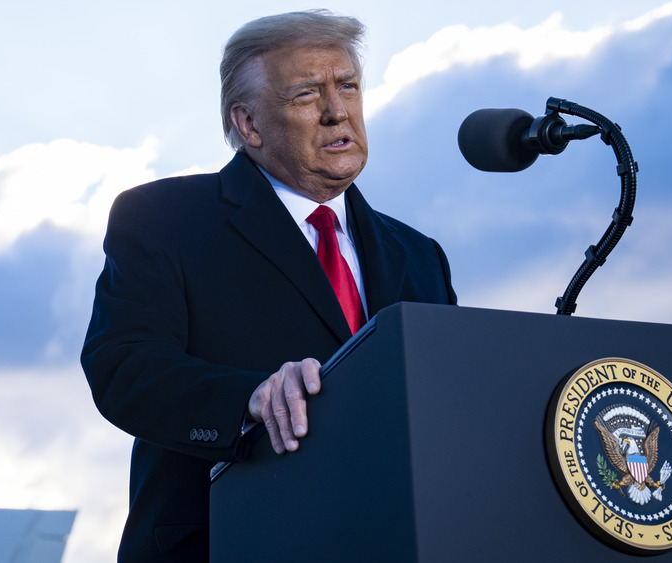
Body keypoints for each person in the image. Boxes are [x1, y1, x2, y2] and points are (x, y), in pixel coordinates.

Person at [82, 10, 456, 562]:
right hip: (223, 543)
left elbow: (444, 404)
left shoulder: (420, 254)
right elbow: (125, 367)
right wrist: (250, 398)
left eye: (347, 86)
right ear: (249, 123)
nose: (336, 111)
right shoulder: (164, 218)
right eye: (306, 95)